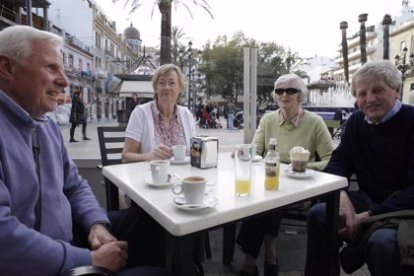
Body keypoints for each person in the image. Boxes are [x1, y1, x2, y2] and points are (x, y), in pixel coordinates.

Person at [0, 25, 167, 276]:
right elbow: (5, 240)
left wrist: (96, 224)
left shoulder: (46, 125)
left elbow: (75, 185)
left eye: (63, 69)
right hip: (37, 265)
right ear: (7, 68)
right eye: (51, 67)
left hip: (70, 238)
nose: (65, 81)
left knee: (151, 221)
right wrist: (88, 258)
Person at [305, 60, 414, 276]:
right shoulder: (356, 122)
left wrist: (369, 215)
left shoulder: (412, 121)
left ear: (397, 90)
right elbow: (339, 161)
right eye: (362, 94)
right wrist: (341, 195)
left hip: (405, 209)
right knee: (319, 214)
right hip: (369, 199)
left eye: (378, 90)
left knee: (383, 243)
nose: (369, 99)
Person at [236, 74, 335, 276]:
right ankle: (268, 257)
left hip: (300, 188)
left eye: (291, 90)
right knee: (265, 196)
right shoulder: (268, 119)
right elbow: (255, 151)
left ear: (301, 95)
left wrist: (303, 168)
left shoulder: (314, 122)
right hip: (269, 181)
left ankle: (252, 262)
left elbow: (331, 159)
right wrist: (243, 152)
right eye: (279, 90)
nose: (284, 94)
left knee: (268, 199)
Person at [122, 64, 196, 163]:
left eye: (172, 83)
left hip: (183, 177)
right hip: (150, 175)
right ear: (156, 88)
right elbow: (126, 156)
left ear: (180, 88)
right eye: (162, 83)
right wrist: (148, 156)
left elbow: (194, 152)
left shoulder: (187, 115)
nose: (166, 87)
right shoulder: (140, 113)